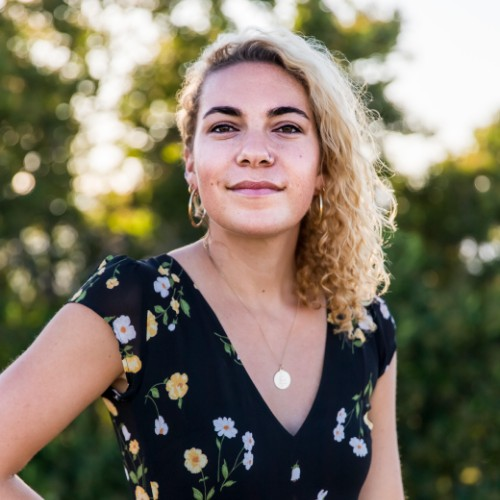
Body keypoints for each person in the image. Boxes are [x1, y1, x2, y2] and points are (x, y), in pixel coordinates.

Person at [0, 27, 405, 499]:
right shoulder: (134, 306)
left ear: (322, 166)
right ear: (191, 162)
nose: (254, 152)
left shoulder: (364, 324)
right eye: (225, 127)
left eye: (287, 127)